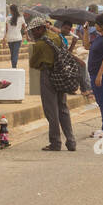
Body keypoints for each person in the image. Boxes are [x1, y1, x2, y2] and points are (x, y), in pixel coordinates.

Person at [27, 14, 76, 151]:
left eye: (34, 30)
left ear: (41, 28)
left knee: (51, 110)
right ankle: (71, 141)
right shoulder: (57, 37)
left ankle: (55, 142)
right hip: (61, 75)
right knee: (63, 108)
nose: (33, 33)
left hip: (47, 75)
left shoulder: (40, 44)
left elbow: (34, 63)